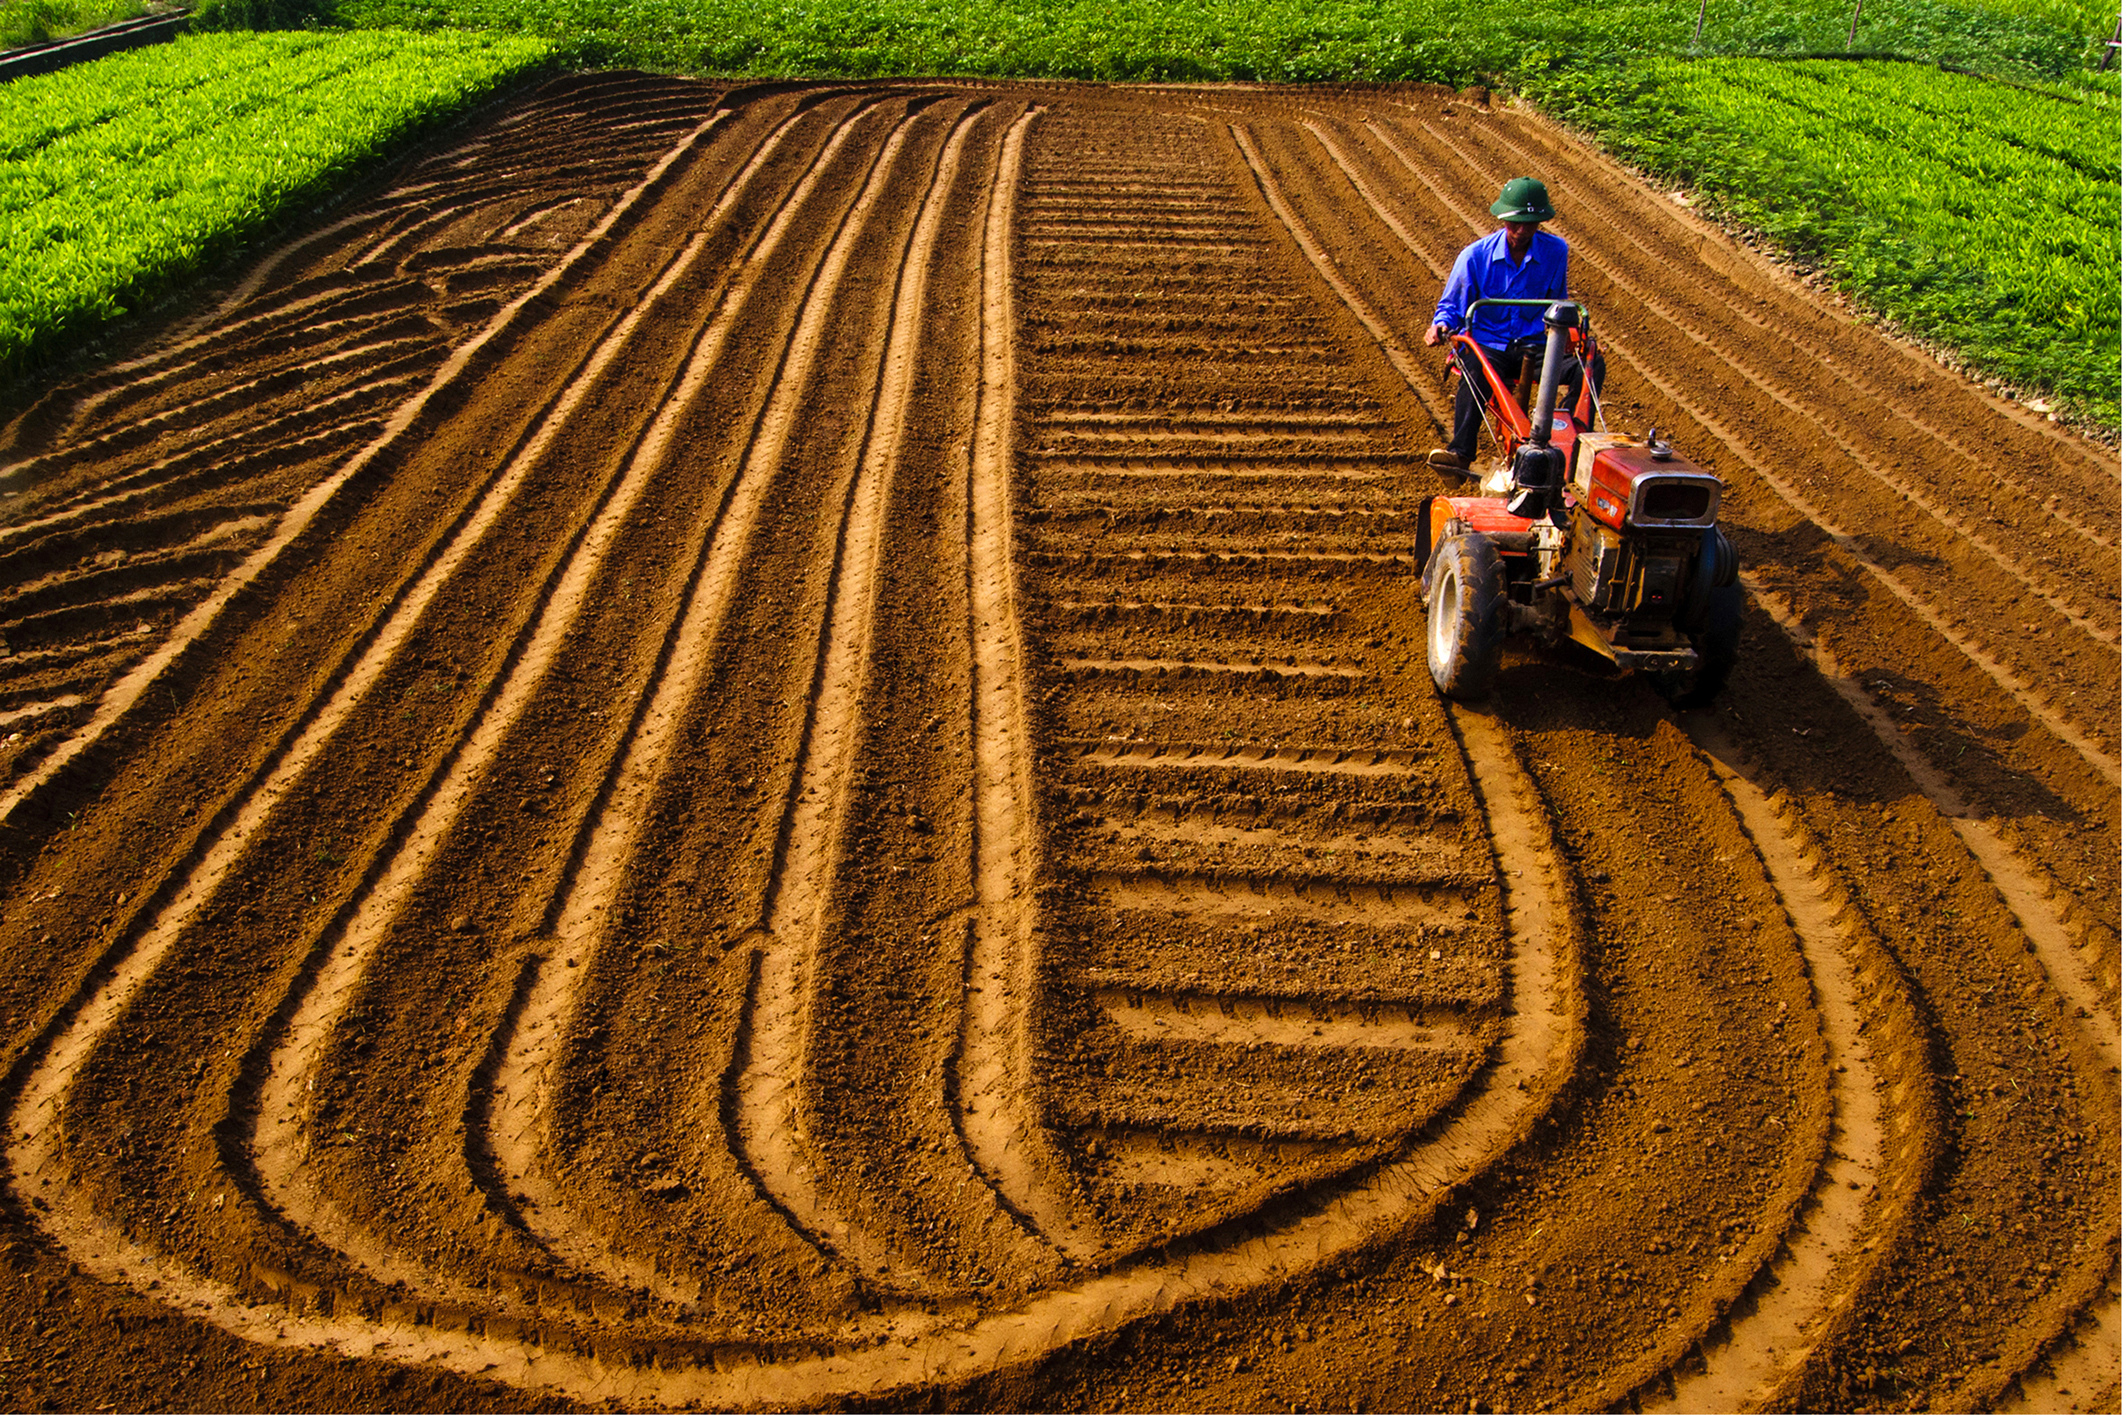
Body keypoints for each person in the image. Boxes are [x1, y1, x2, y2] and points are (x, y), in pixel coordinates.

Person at [1421, 177, 1598, 473]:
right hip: (1490, 345)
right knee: (1474, 368)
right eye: (1515, 223)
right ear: (1503, 219)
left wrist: (1571, 332)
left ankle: (1570, 442)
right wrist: (1439, 326)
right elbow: (1451, 306)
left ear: (1540, 223)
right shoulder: (1475, 256)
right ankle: (1460, 453)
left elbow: (1558, 300)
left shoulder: (1556, 252)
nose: (1521, 230)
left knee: (1588, 364)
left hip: (1535, 346)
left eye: (1530, 224)